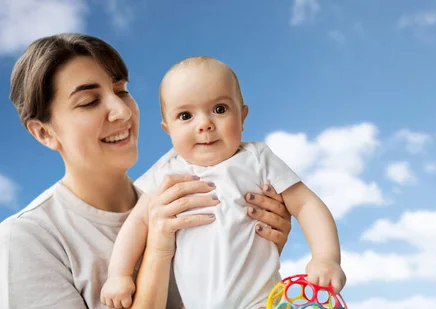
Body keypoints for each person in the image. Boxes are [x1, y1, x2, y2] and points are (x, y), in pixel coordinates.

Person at [0, 33, 294, 309]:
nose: (122, 111)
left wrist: (260, 248)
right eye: (89, 102)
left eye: (121, 91)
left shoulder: (195, 190)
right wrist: (157, 249)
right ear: (44, 133)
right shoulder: (28, 239)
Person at [100, 56, 346, 309]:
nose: (204, 124)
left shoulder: (257, 159)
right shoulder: (167, 171)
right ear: (168, 129)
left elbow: (306, 204)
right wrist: (119, 274)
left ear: (242, 116)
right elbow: (137, 223)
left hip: (261, 302)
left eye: (219, 109)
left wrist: (326, 257)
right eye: (185, 115)